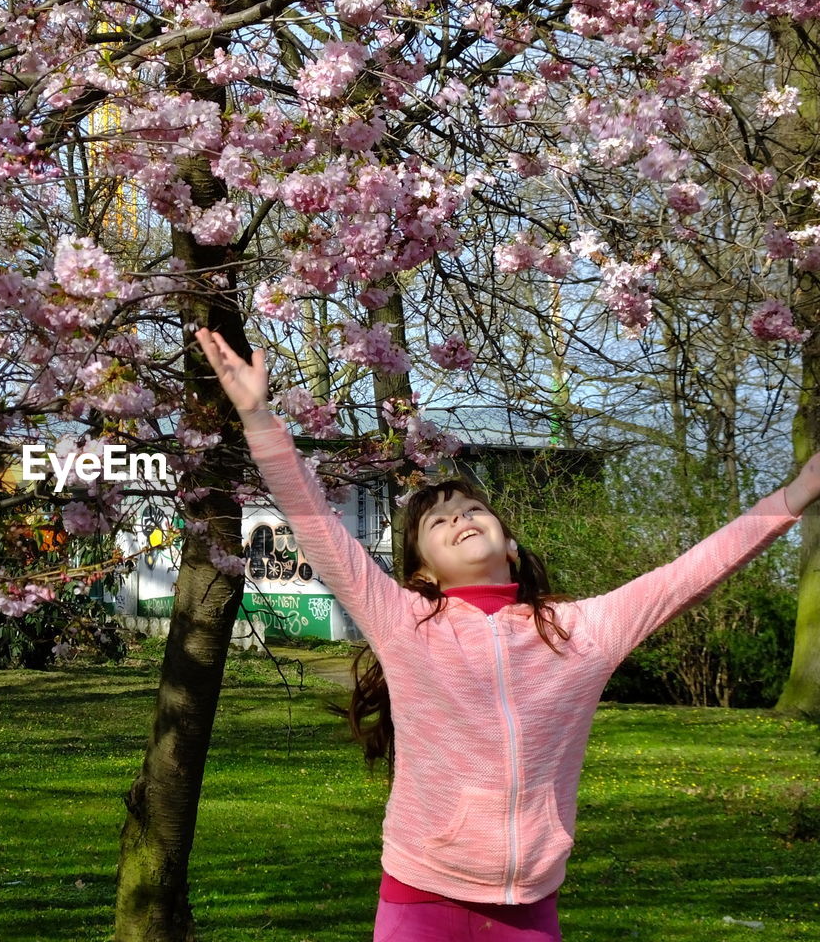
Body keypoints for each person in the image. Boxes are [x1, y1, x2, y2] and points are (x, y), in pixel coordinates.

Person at [194, 326, 820, 942]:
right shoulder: (404, 623)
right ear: (421, 569)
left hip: (529, 905)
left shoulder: (583, 631)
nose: (460, 518)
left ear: (511, 546)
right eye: (439, 521)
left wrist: (795, 495)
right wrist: (258, 418)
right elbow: (318, 530)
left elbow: (690, 573)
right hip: (421, 892)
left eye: (472, 510)